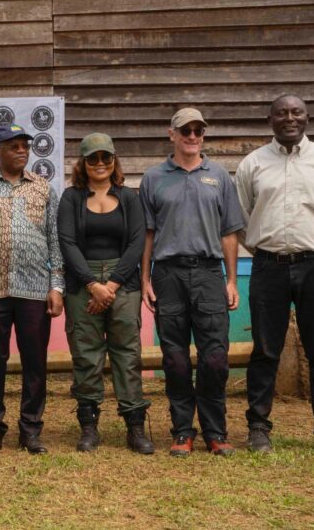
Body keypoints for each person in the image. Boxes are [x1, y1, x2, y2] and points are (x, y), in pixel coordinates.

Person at [235, 95, 314, 459]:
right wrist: (269, 249)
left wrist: (312, 244)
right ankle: (258, 427)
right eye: (282, 113)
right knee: (266, 350)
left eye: (296, 112)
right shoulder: (252, 164)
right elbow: (243, 219)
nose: (290, 118)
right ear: (269, 119)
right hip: (267, 266)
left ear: (307, 117)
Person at [139, 108, 244, 458]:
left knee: (215, 357)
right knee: (176, 359)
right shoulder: (154, 178)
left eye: (199, 130)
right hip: (168, 274)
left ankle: (216, 431)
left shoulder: (219, 177)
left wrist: (231, 280)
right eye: (186, 130)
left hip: (209, 274)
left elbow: (230, 232)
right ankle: (182, 430)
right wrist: (145, 278)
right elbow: (148, 234)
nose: (193, 136)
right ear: (172, 134)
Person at [0, 123, 64, 455]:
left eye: (25, 145)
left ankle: (31, 429)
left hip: (36, 290)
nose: (21, 150)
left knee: (35, 362)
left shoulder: (44, 188)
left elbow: (55, 241)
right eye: (13, 145)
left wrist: (57, 285)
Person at [57, 133, 153, 454]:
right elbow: (67, 243)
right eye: (92, 159)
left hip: (123, 283)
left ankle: (135, 427)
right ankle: (88, 426)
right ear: (82, 164)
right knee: (86, 354)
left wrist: (110, 285)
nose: (100, 164)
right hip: (82, 283)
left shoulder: (129, 197)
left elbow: (137, 242)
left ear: (115, 161)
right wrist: (91, 284)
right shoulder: (70, 198)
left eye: (106, 158)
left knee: (127, 353)